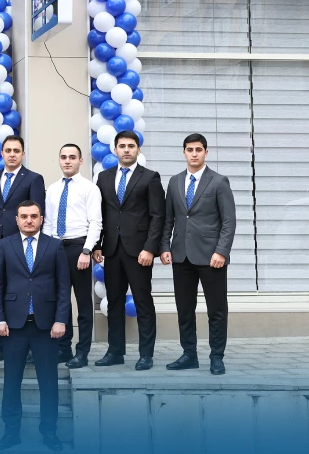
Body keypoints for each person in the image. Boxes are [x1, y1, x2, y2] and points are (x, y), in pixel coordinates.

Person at [0, 201, 70, 452]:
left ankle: (49, 432)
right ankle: (11, 432)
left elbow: (63, 286)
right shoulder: (4, 245)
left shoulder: (54, 246)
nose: (28, 220)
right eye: (24, 216)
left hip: (46, 327)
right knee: (11, 382)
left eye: (33, 216)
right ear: (16, 219)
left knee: (48, 383)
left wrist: (60, 320)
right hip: (13, 326)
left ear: (41, 219)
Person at [160, 133, 237, 376]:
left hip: (211, 257)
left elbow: (229, 221)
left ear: (206, 152)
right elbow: (168, 218)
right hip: (181, 255)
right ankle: (189, 354)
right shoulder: (174, 181)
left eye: (198, 150)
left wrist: (221, 251)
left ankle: (217, 357)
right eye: (190, 150)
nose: (194, 154)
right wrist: (164, 246)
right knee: (184, 308)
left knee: (216, 309)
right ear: (184, 152)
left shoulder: (219, 182)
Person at [93, 130, 165, 371]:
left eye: (131, 146)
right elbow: (99, 214)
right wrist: (97, 245)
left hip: (139, 252)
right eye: (122, 146)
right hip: (112, 250)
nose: (126, 149)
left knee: (143, 302)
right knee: (114, 302)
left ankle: (146, 355)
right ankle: (115, 352)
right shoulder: (103, 177)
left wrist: (150, 248)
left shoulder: (150, 177)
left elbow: (158, 216)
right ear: (115, 150)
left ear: (138, 149)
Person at [40, 143, 102, 369]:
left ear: (80, 161)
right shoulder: (53, 189)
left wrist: (87, 250)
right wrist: (46, 249)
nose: (67, 161)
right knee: (60, 301)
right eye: (64, 157)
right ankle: (63, 349)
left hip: (79, 248)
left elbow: (95, 222)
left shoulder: (89, 188)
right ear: (59, 160)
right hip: (56, 248)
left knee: (83, 303)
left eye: (72, 157)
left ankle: (82, 352)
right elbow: (48, 222)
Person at [0, 135, 45, 364]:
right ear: (2, 154)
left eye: (16, 151)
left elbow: (37, 214)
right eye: (8, 150)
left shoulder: (33, 179)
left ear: (23, 154)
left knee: (23, 294)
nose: (12, 154)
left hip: (22, 247)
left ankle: (26, 347)